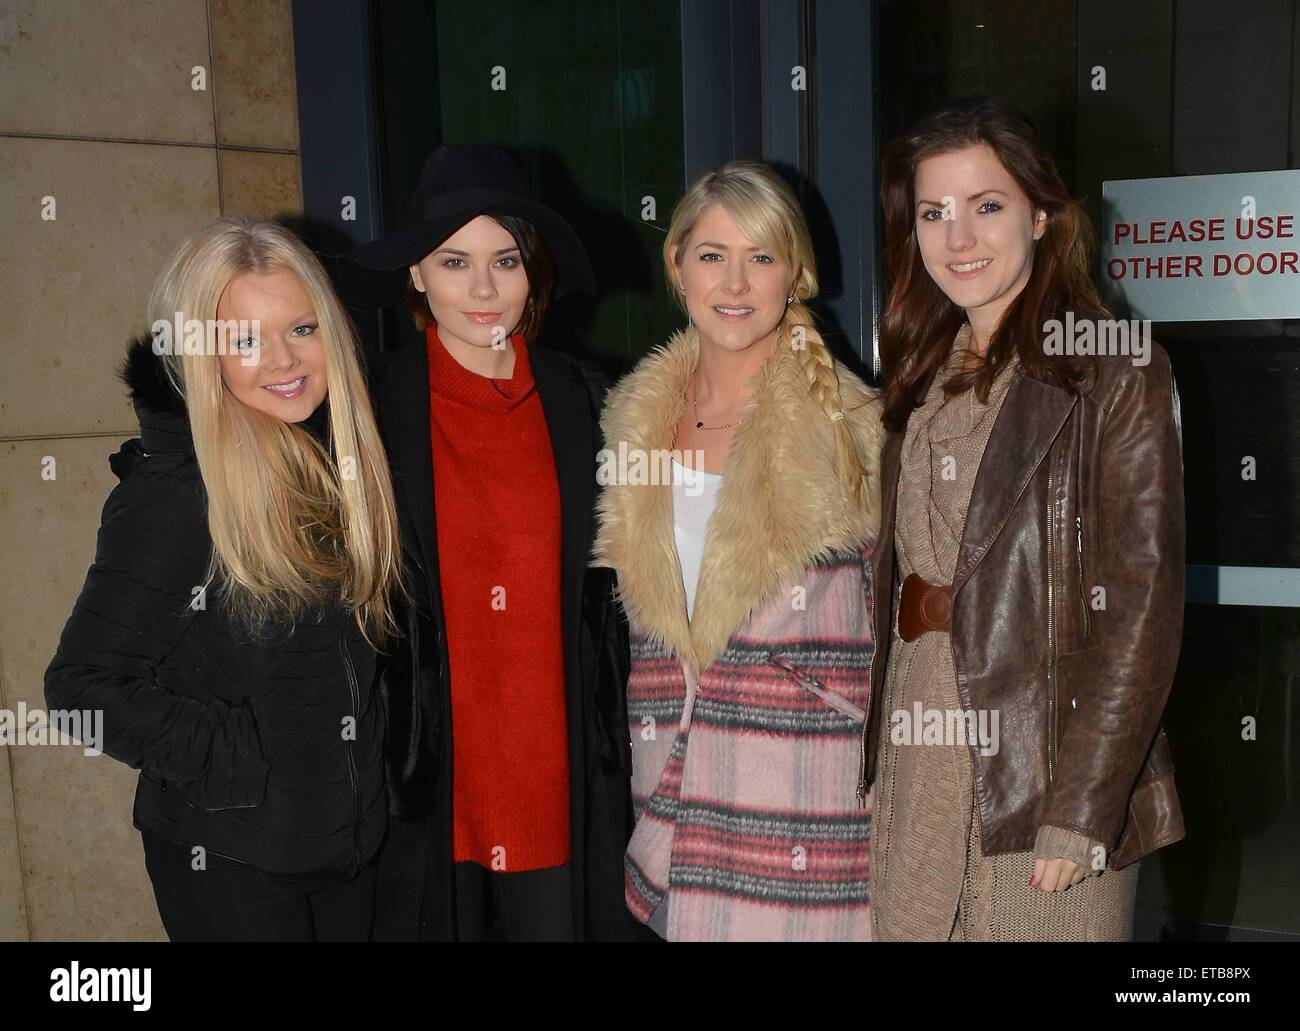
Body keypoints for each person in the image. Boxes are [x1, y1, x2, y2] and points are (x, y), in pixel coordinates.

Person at [864, 98, 1186, 941]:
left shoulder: (1113, 365)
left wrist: (1084, 808)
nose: (957, 236)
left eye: (987, 205)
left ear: (1042, 214)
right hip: (919, 750)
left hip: (1043, 775)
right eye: (933, 213)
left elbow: (1142, 609)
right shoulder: (919, 372)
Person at [44, 215, 401, 941]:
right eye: (244, 339)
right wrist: (242, 761)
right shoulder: (180, 489)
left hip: (341, 842)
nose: (283, 359)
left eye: (302, 329)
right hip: (228, 859)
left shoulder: (334, 461)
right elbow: (79, 687)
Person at [591, 160, 885, 941]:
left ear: (795, 275)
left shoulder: (856, 427)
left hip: (801, 799)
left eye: (761, 257)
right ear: (678, 264)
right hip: (678, 800)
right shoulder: (630, 421)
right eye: (713, 254)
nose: (735, 280)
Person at [346, 144, 634, 941]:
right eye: (453, 261)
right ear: (415, 273)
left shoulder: (587, 398)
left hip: (558, 762)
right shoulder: (369, 407)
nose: (481, 289)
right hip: (429, 771)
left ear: (530, 271)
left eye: (504, 260)